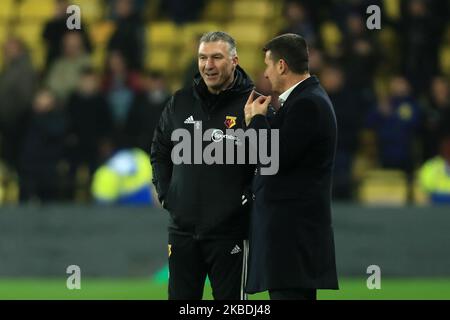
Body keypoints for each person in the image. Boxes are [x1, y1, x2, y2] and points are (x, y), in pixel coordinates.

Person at [151, 31, 254, 300]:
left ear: (234, 61)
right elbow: (160, 152)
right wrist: (166, 194)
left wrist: (245, 200)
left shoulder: (253, 105)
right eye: (203, 58)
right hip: (183, 230)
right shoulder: (180, 102)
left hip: (229, 233)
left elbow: (267, 162)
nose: (208, 65)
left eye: (217, 57)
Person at [243, 33, 339, 300]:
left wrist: (258, 122)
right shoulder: (304, 101)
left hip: (292, 240)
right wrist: (258, 121)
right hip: (292, 240)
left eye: (268, 65)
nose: (265, 73)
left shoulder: (307, 104)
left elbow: (274, 157)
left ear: (282, 65)